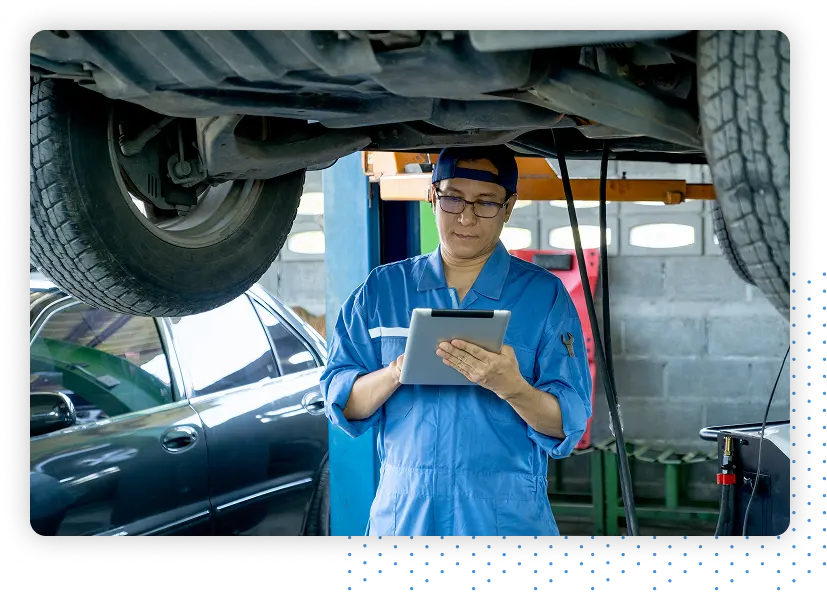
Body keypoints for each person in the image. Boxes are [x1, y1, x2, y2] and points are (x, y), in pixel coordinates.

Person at [320, 145, 592, 537]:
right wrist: (396, 372)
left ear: (508, 206)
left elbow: (569, 423)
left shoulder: (543, 297)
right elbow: (341, 401)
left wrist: (513, 388)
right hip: (406, 519)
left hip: (506, 522)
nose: (466, 217)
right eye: (453, 198)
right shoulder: (382, 290)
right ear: (433, 196)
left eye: (485, 203)